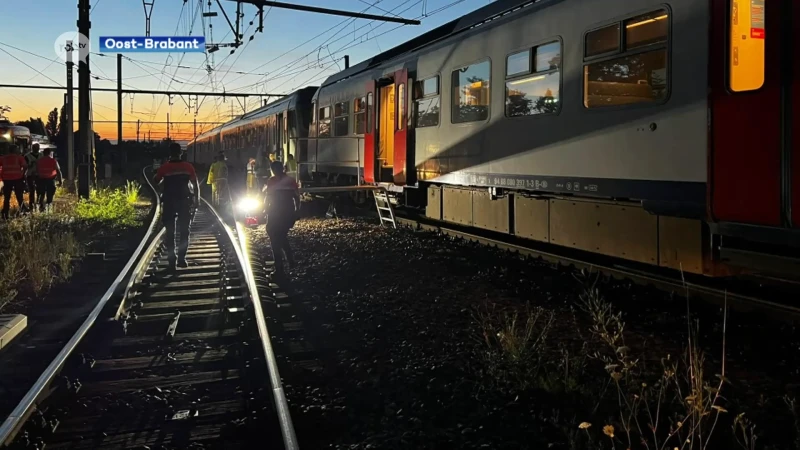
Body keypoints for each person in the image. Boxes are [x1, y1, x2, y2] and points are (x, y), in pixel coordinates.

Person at [154, 143, 200, 269]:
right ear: (180, 153)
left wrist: (163, 180)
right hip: (184, 201)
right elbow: (195, 184)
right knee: (184, 231)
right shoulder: (188, 167)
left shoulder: (164, 168)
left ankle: (171, 260)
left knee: (170, 232)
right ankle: (181, 259)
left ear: (170, 153)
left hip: (169, 201)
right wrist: (197, 199)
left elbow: (156, 181)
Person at [263, 160, 300, 275]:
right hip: (288, 213)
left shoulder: (271, 181)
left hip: (274, 212)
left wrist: (264, 210)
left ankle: (279, 269)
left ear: (273, 170)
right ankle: (290, 261)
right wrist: (296, 211)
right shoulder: (291, 181)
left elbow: (268, 198)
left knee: (274, 239)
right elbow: (297, 198)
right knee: (282, 236)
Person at [0, 145, 27, 220]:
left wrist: (2, 175)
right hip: (17, 179)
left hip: (7, 179)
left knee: (7, 198)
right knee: (19, 196)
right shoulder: (19, 157)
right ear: (15, 150)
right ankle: (23, 211)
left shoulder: (3, 158)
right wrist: (22, 173)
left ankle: (5, 214)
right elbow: (25, 166)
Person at [35, 147, 63, 213]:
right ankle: (48, 210)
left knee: (41, 195)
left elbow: (36, 171)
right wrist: (60, 181)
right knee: (49, 196)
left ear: (43, 153)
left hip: (41, 180)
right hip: (50, 180)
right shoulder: (53, 161)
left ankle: (40, 209)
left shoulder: (39, 161)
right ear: (49, 153)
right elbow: (58, 171)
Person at [24, 143, 41, 210]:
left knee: (39, 190)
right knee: (31, 191)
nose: (37, 148)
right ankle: (31, 204)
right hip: (30, 175)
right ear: (32, 148)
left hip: (39, 175)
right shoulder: (27, 156)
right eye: (36, 147)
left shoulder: (41, 155)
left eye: (38, 147)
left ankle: (38, 203)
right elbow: (25, 166)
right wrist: (30, 165)